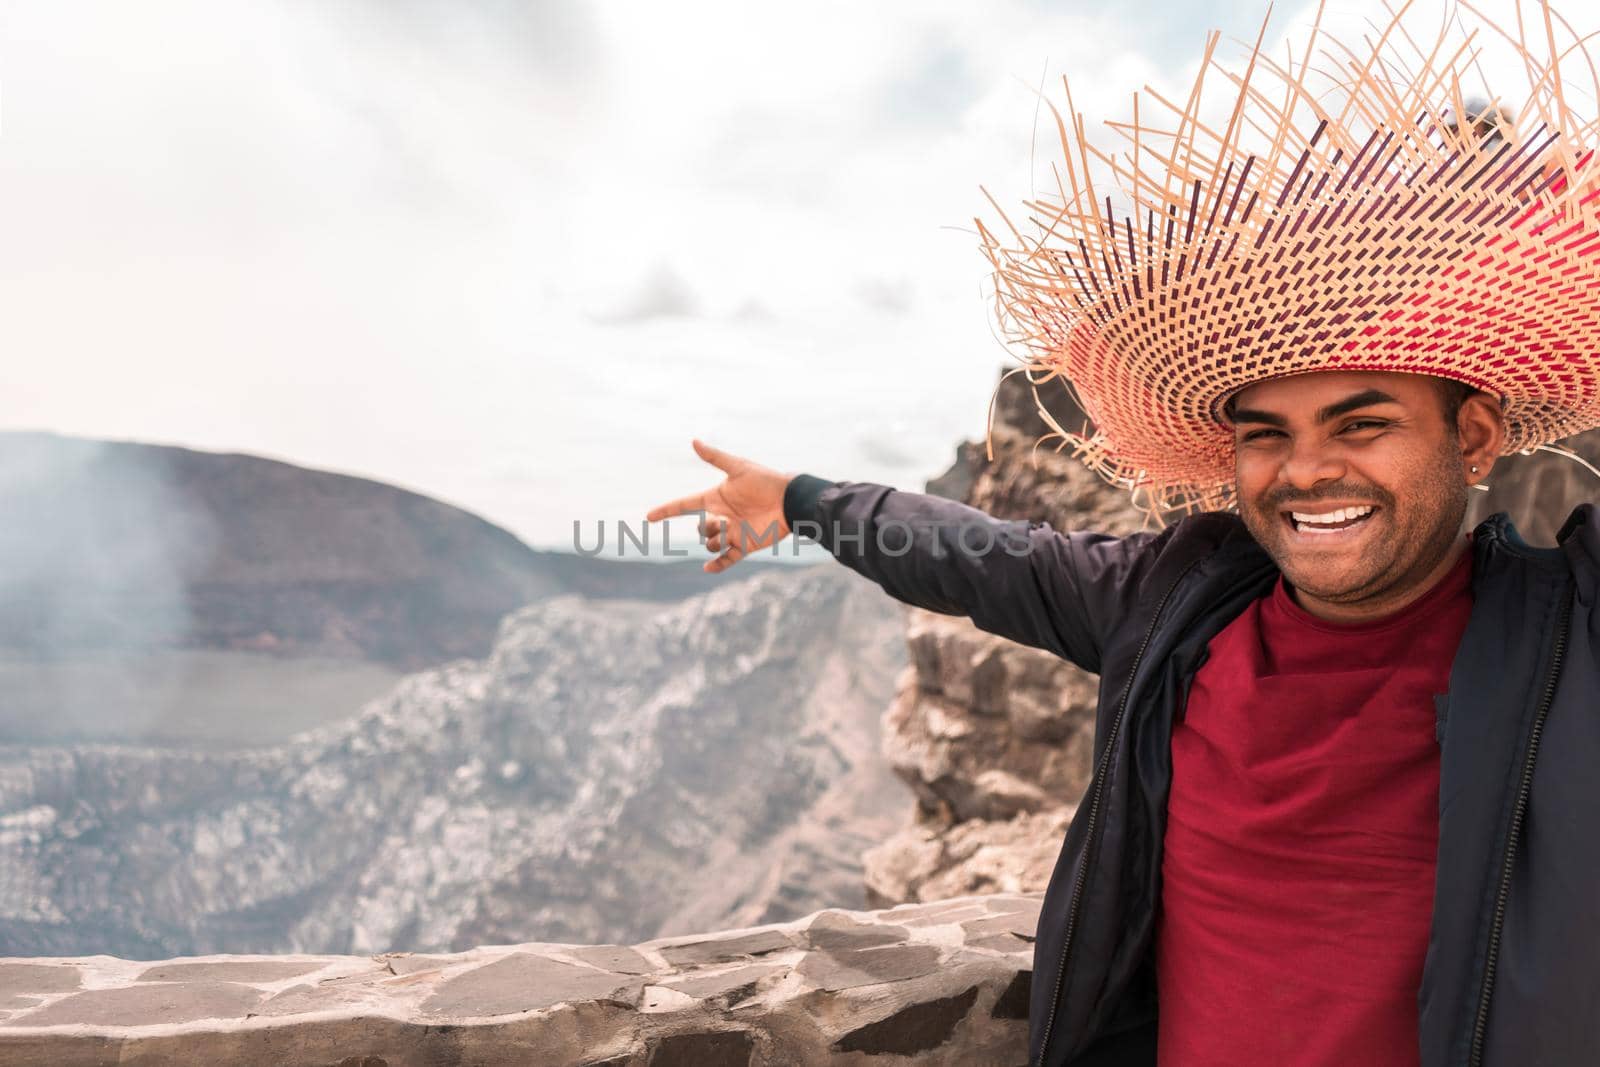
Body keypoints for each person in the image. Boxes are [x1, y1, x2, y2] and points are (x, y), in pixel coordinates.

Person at [646, 4, 1600, 1065]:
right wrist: (805, 498)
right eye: (1264, 433)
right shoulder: (1183, 601)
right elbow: (987, 559)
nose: (1305, 471)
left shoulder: (1568, 636)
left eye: (1361, 422)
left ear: (1472, 435)